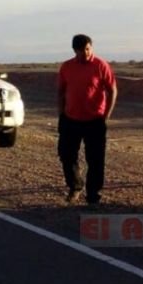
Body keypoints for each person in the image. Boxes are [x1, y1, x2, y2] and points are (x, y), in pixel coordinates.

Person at [57, 34, 118, 207]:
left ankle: (93, 196)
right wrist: (61, 114)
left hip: (95, 120)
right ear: (74, 50)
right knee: (66, 156)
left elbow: (112, 89)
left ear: (91, 47)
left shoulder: (100, 65)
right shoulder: (67, 67)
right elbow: (61, 91)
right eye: (81, 50)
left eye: (88, 49)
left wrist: (106, 115)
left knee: (96, 159)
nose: (85, 53)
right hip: (70, 119)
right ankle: (75, 186)